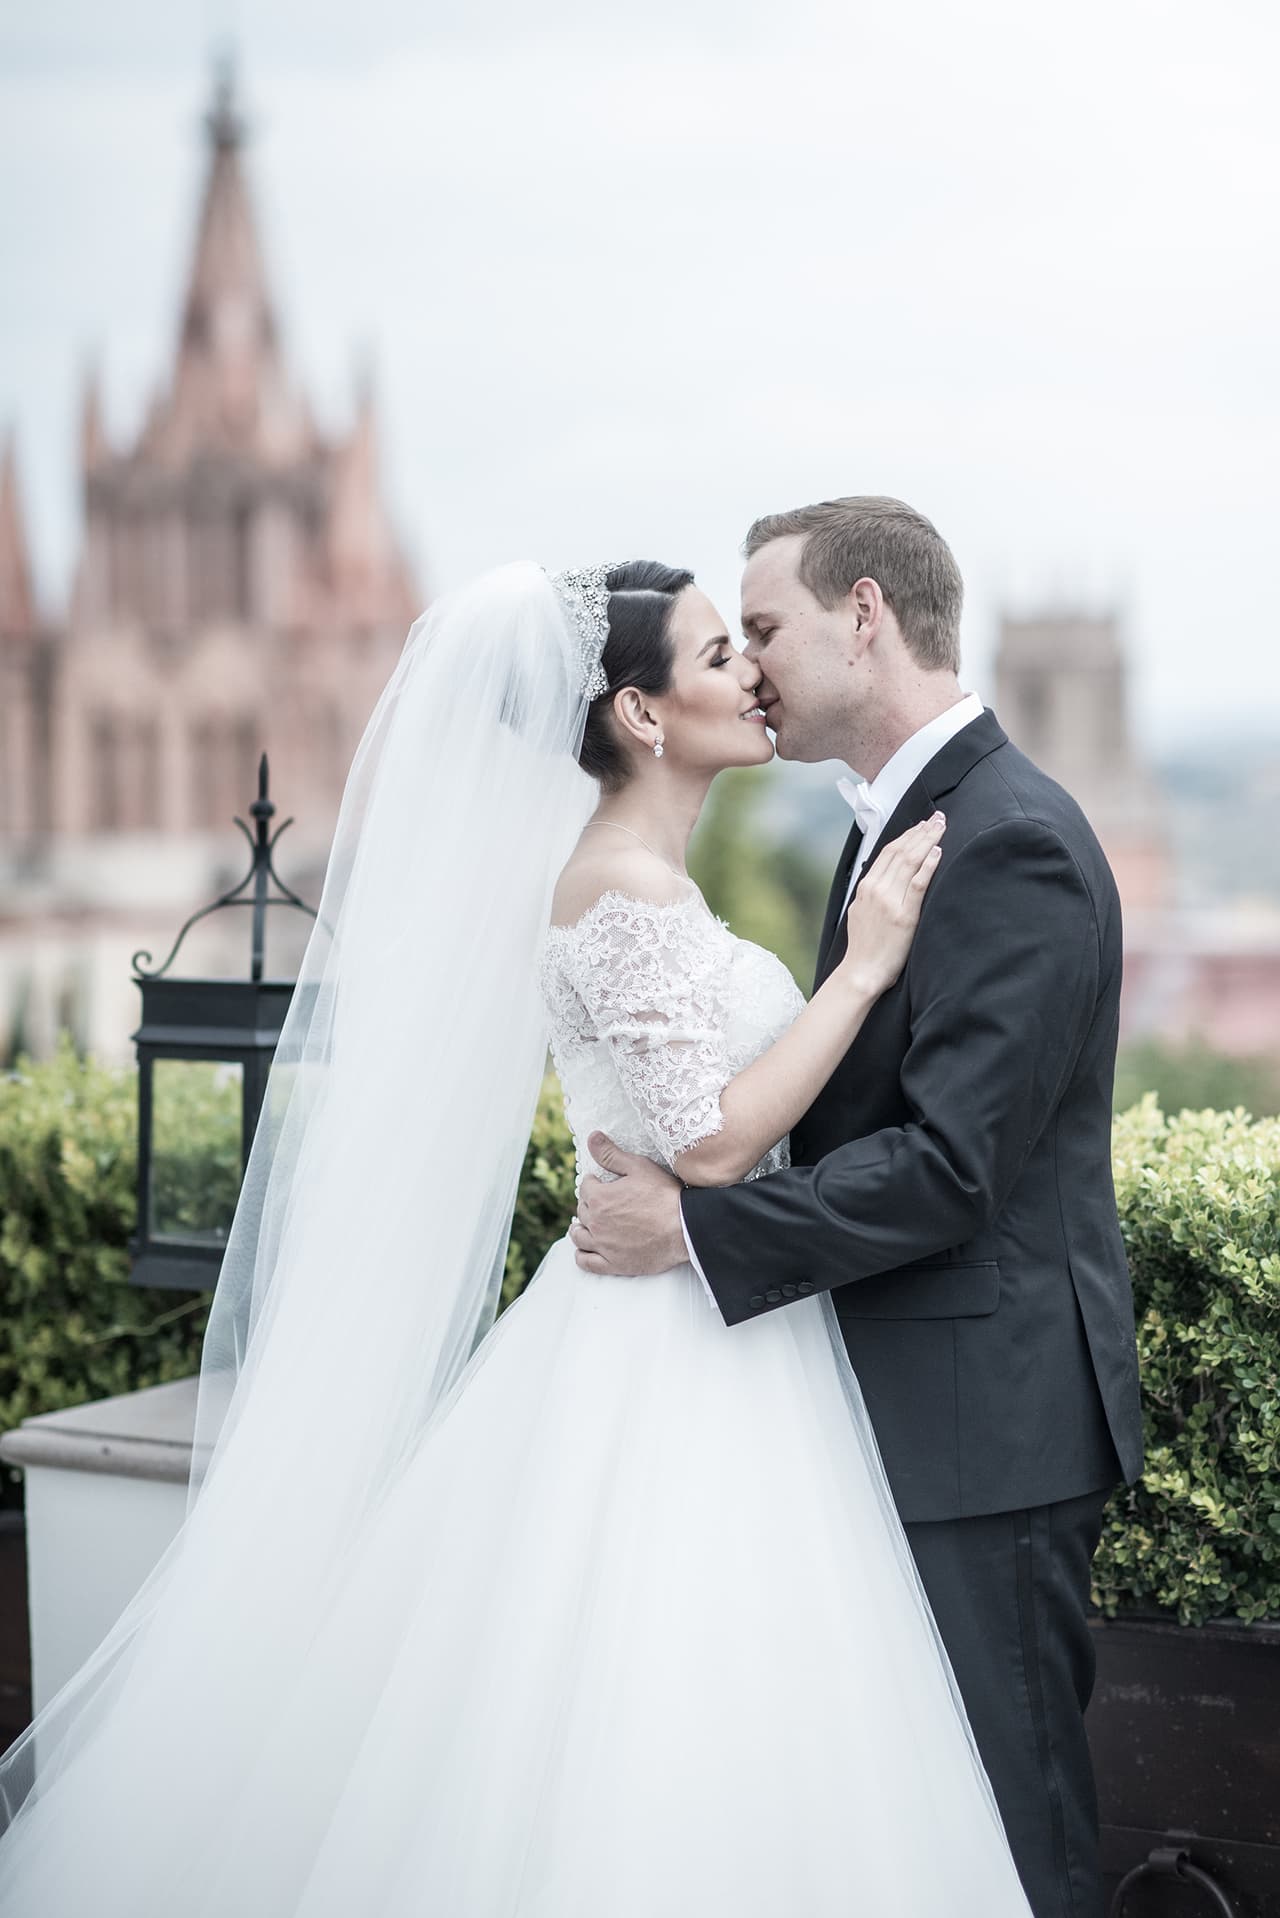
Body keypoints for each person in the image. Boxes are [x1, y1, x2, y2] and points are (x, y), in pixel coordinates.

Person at [0, 555, 1035, 1916]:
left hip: (713, 1313)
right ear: (644, 715)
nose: (752, 676)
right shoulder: (621, 887)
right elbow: (713, 1139)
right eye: (722, 655)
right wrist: (864, 965)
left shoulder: (650, 878)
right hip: (668, 1352)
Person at [571, 502, 1146, 1918]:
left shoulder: (1008, 839)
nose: (754, 667)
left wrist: (695, 1230)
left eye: (763, 629)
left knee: (1012, 1839)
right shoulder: (899, 826)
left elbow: (954, 1167)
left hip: (983, 1432)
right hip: (873, 1411)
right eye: (733, 644)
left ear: (866, 615)